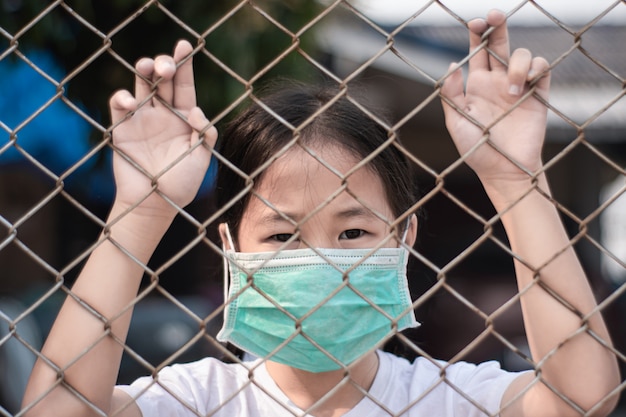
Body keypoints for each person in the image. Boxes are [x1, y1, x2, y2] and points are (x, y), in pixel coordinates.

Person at [22, 9, 619, 417]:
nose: (320, 261)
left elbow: (583, 396)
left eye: (353, 231)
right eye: (282, 235)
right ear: (231, 248)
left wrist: (514, 179)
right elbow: (57, 408)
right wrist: (140, 209)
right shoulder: (198, 399)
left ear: (404, 238)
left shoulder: (442, 397)